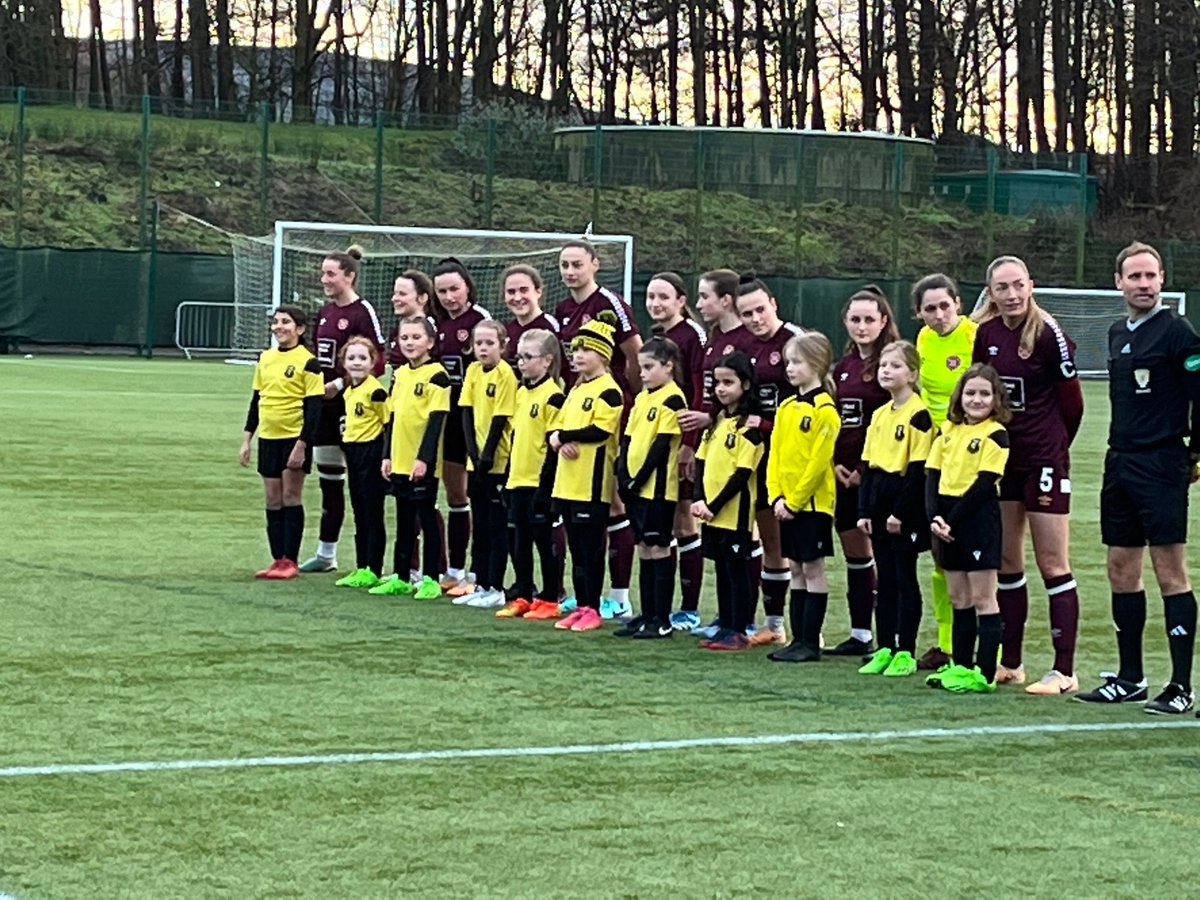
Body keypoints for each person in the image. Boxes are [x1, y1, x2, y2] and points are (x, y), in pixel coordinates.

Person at [1077, 241, 1200, 715]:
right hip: (1120, 462)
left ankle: (1181, 686)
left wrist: (1194, 455)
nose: (1143, 284)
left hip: (1162, 462)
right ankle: (1130, 678)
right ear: (1119, 283)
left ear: (1163, 280)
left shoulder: (1179, 333)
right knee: (1120, 569)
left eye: (1150, 276)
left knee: (1171, 573)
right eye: (1135, 277)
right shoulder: (1116, 333)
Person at [972, 256, 1084, 694]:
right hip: (1004, 460)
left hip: (1043, 460)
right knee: (1006, 561)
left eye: (1018, 285)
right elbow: (981, 390)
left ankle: (1064, 671)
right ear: (992, 293)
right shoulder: (987, 334)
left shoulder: (1047, 332)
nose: (1012, 294)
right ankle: (1011, 661)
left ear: (1031, 285)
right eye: (1002, 288)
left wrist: (1054, 448)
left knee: (1052, 562)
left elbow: (1072, 403)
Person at [556, 240, 641, 615]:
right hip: (577, 404)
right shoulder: (562, 309)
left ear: (595, 264)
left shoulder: (611, 304)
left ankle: (619, 595)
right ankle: (586, 596)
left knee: (611, 505)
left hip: (607, 414)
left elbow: (636, 355)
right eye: (564, 265)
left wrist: (634, 402)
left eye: (577, 264)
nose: (570, 271)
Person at [679, 268, 761, 635]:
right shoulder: (712, 341)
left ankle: (746, 622)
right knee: (724, 561)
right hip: (713, 478)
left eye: (704, 296)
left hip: (736, 492)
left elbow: (742, 471)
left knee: (747, 552)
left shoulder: (747, 339)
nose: (698, 304)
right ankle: (726, 620)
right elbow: (703, 392)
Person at [924, 364, 1013, 694]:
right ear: (959, 396)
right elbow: (932, 475)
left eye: (984, 394)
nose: (976, 400)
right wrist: (934, 517)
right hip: (945, 519)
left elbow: (984, 484)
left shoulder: (996, 434)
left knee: (982, 597)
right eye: (970, 393)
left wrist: (951, 520)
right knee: (958, 597)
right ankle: (960, 666)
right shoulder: (947, 430)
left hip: (975, 519)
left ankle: (985, 672)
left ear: (996, 399)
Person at [300, 246, 386, 574]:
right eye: (323, 273)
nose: (325, 279)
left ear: (349, 276)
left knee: (362, 486)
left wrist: (341, 385)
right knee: (329, 480)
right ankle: (326, 554)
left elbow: (377, 361)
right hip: (324, 409)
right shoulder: (325, 312)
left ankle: (373, 562)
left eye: (331, 273)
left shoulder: (363, 311)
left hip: (354, 410)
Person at [828, 285, 900, 656]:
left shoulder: (891, 363)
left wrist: (863, 467)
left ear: (883, 321)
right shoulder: (843, 368)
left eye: (869, 319)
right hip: (842, 473)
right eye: (855, 319)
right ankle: (860, 634)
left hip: (878, 473)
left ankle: (893, 639)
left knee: (887, 555)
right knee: (854, 553)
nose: (861, 326)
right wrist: (837, 463)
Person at [856, 341, 934, 677]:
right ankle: (885, 646)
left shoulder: (919, 415)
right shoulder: (878, 415)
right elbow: (869, 466)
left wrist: (900, 513)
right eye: (883, 365)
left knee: (904, 578)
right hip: (879, 501)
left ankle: (906, 650)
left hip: (904, 504)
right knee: (884, 579)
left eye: (896, 366)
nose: (886, 371)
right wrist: (864, 510)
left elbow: (918, 471)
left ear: (913, 374)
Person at [912, 273, 978, 669]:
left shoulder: (974, 335)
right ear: (918, 313)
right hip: (937, 458)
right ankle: (945, 641)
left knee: (978, 556)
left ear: (958, 302)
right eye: (929, 309)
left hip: (973, 456)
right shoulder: (922, 341)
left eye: (944, 305)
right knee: (940, 556)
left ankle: (991, 647)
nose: (938, 315)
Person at [736, 274, 804, 646]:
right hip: (758, 455)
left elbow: (813, 398)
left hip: (792, 456)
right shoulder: (744, 345)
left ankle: (810, 630)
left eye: (760, 310)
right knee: (769, 542)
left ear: (774, 304)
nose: (755, 318)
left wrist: (766, 422)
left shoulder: (794, 339)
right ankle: (774, 625)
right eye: (747, 314)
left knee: (797, 548)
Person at [766, 332, 840, 663]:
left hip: (811, 506)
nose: (790, 369)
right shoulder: (786, 407)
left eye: (797, 362)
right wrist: (775, 497)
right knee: (795, 568)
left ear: (817, 364)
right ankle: (798, 640)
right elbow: (775, 456)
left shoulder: (825, 410)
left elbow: (818, 463)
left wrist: (795, 501)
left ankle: (811, 641)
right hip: (785, 504)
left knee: (812, 568)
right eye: (788, 362)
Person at [549, 312, 625, 633]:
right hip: (567, 482)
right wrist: (557, 439)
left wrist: (565, 436)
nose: (578, 356)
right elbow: (560, 426)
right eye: (575, 349)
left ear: (603, 355)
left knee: (591, 549)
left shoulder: (609, 391)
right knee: (576, 549)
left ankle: (593, 606)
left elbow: (599, 431)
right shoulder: (576, 389)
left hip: (591, 485)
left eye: (585, 350)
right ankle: (582, 605)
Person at [643, 273, 708, 632]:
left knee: (685, 521)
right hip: (656, 439)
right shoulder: (657, 337)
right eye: (651, 296)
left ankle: (689, 607)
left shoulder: (692, 336)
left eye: (663, 297)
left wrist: (689, 444)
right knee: (662, 524)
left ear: (681, 301)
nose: (656, 303)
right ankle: (658, 607)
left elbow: (697, 392)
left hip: (680, 442)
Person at [240, 305, 324, 580]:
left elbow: (314, 408)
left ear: (299, 329)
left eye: (285, 322)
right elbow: (257, 400)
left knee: (290, 496)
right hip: (269, 437)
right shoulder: (265, 358)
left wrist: (303, 444)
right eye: (275, 322)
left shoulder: (309, 362)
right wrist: (247, 439)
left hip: (293, 437)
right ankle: (277, 559)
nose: (279, 327)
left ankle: (291, 560)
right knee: (272, 498)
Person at [370, 316, 450, 600]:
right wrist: (386, 455)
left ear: (430, 342)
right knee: (404, 520)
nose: (410, 343)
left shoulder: (437, 375)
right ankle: (402, 575)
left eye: (416, 337)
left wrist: (424, 459)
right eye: (405, 338)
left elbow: (436, 421)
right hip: (399, 460)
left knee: (426, 518)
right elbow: (391, 418)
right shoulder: (400, 374)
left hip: (421, 462)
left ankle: (431, 578)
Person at [613, 335, 688, 639]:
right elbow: (628, 439)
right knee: (644, 548)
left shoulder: (673, 398)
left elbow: (660, 447)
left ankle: (662, 618)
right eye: (640, 366)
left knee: (659, 548)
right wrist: (623, 475)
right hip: (635, 487)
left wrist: (638, 478)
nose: (641, 372)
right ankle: (647, 614)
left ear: (668, 367)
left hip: (656, 488)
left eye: (648, 366)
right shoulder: (643, 397)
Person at [692, 352, 766, 651]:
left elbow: (741, 475)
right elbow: (700, 462)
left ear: (745, 385)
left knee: (737, 570)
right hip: (710, 512)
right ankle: (725, 625)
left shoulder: (750, 429)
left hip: (733, 513)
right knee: (721, 568)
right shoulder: (717, 422)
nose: (721, 389)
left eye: (729, 382)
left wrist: (714, 505)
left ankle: (739, 629)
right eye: (717, 383)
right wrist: (698, 497)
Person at [431, 258, 493, 595]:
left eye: (454, 288)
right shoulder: (436, 325)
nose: (449, 296)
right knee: (441, 491)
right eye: (442, 291)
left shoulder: (480, 321)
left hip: (469, 422)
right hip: (440, 418)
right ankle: (446, 570)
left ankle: (463, 570)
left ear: (467, 286)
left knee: (462, 494)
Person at [498, 329, 566, 620]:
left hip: (538, 481)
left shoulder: (553, 396)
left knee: (543, 539)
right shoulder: (521, 392)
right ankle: (524, 594)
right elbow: (516, 438)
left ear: (547, 360)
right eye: (519, 357)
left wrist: (545, 485)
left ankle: (551, 597)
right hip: (517, 479)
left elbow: (552, 446)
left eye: (528, 357)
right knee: (518, 541)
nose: (521, 363)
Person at [454, 320, 518, 610]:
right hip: (476, 460)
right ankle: (480, 582)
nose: (483, 348)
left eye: (489, 343)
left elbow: (500, 419)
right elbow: (466, 412)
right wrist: (472, 453)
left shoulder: (506, 374)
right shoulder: (472, 371)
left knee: (496, 525)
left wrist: (487, 456)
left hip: (497, 461)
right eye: (478, 343)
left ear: (503, 346)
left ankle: (496, 586)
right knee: (479, 524)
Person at [332, 337, 391, 588]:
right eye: (352, 358)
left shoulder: (376, 391)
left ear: (372, 362)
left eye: (362, 358)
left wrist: (386, 456)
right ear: (343, 362)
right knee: (359, 512)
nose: (357, 363)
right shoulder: (349, 391)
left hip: (372, 453)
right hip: (354, 454)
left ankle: (374, 568)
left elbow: (388, 424)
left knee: (372, 512)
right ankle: (361, 565)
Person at [502, 264, 561, 359]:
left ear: (538, 292)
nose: (517, 298)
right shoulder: (506, 331)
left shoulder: (550, 327)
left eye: (524, 290)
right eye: (511, 292)